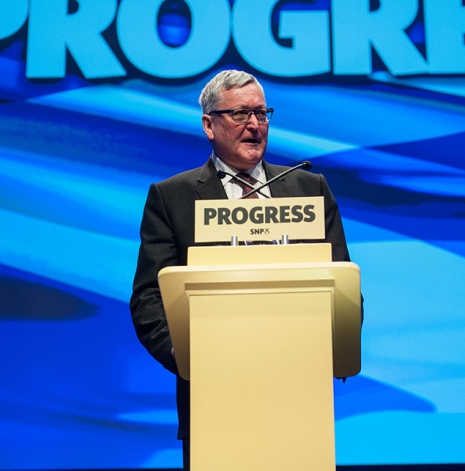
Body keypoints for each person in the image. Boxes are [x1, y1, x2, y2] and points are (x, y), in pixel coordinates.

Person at [129, 69, 356, 469]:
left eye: (262, 113)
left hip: (300, 397)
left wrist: (337, 347)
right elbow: (149, 297)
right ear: (209, 125)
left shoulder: (309, 189)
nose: (254, 125)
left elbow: (341, 281)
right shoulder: (172, 197)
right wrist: (184, 356)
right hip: (213, 399)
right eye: (240, 114)